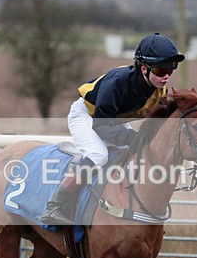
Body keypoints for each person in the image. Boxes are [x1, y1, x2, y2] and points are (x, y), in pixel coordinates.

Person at [41, 32, 185, 225]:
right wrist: (131, 138)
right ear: (144, 68)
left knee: (133, 153)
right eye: (160, 70)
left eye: (171, 69)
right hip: (87, 116)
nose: (166, 76)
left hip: (112, 120)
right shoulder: (117, 81)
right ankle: (55, 206)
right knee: (98, 155)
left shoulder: (160, 90)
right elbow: (101, 125)